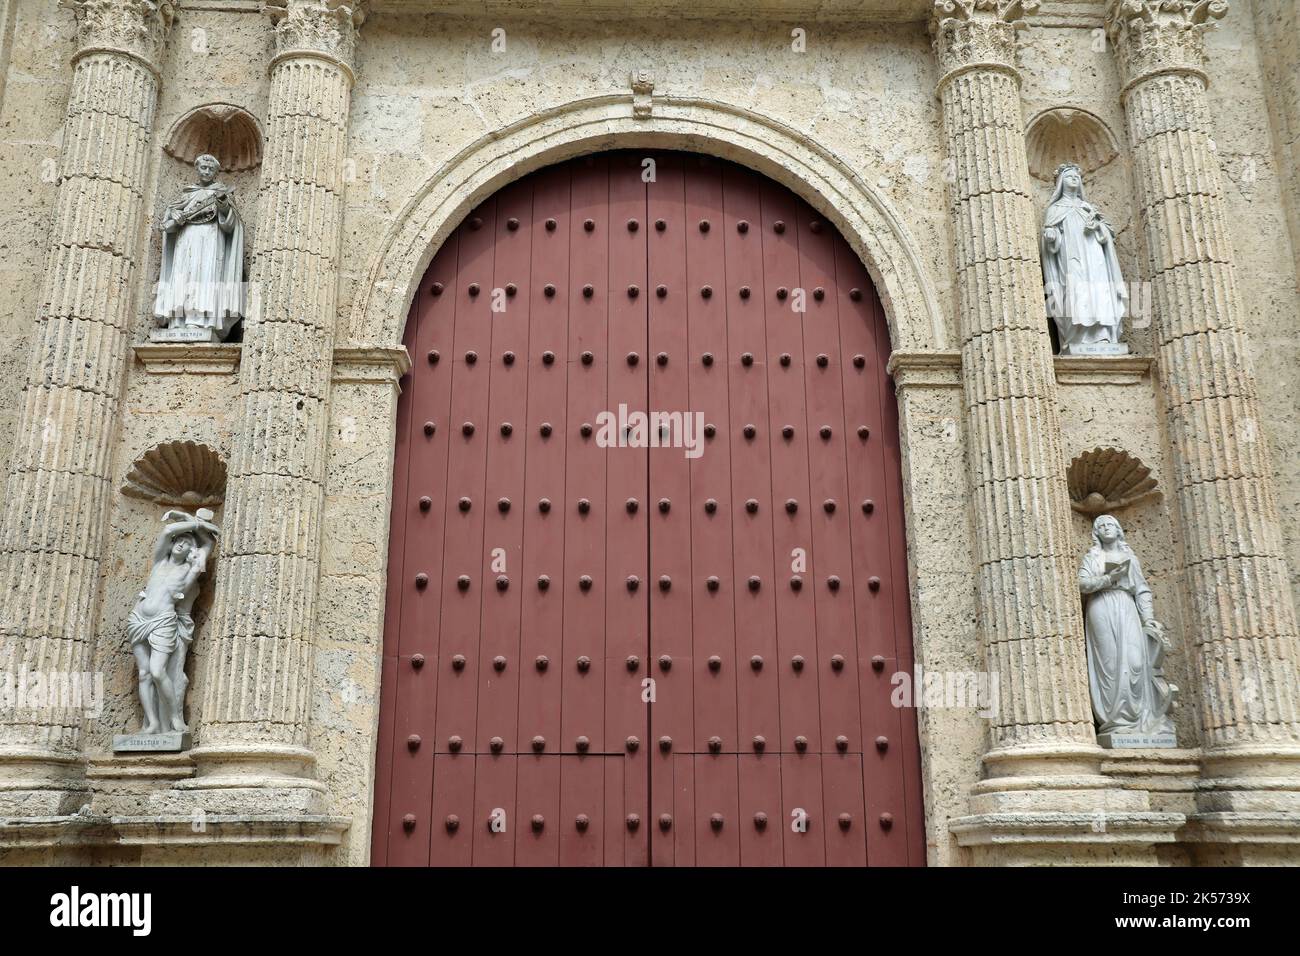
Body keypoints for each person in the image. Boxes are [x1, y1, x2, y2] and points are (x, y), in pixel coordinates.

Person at [1078, 514, 1176, 738]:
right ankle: (1114, 722)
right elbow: (1083, 583)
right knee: (1110, 662)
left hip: (1127, 606)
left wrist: (1148, 617)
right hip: (1101, 606)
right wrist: (1107, 579)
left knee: (1134, 661)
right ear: (1096, 533)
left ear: (1119, 529)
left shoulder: (1129, 557)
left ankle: (1137, 718)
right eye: (1101, 526)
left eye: (1110, 524)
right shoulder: (1092, 557)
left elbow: (1141, 589)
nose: (1106, 528)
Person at [128, 509, 218, 734]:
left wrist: (196, 528)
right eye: (180, 539)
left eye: (188, 543)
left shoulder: (190, 571)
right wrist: (192, 522)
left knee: (158, 671)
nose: (182, 543)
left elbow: (208, 545)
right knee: (145, 674)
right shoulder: (160, 561)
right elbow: (168, 529)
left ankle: (175, 718)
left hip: (163, 621)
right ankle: (152, 723)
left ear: (191, 551)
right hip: (138, 619)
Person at [152, 154, 245, 339]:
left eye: (211, 169)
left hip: (210, 239)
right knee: (182, 274)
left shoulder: (220, 192)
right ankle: (177, 320)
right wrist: (175, 217)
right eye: (203, 168)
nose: (207, 172)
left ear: (216, 172)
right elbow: (169, 219)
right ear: (197, 169)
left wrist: (223, 204)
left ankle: (200, 320)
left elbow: (231, 223)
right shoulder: (188, 194)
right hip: (186, 239)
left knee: (205, 275)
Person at [1041, 163, 1127, 354]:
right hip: (1071, 256)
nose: (1074, 179)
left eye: (1077, 177)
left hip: (1094, 256)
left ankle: (1103, 336)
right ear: (1061, 182)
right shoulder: (1055, 210)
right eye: (1070, 176)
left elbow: (1107, 233)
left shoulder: (1088, 208)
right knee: (1075, 289)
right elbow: (1051, 241)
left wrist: (1097, 228)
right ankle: (1077, 336)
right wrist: (1051, 237)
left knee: (1098, 290)